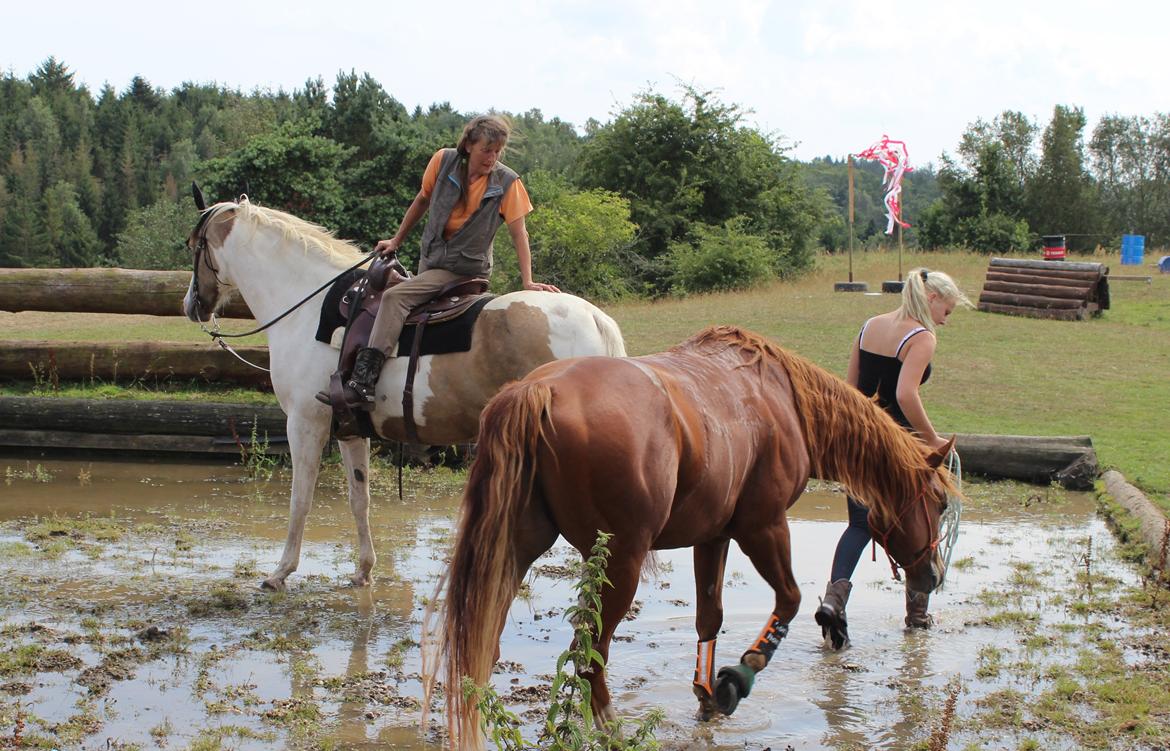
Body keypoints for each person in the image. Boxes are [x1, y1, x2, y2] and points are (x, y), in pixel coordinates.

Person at [345, 115, 560, 407]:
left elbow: (519, 233)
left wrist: (528, 281)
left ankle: (364, 380)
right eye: (487, 149)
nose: (492, 157)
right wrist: (396, 240)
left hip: (463, 270)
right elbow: (421, 200)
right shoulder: (442, 161)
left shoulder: (508, 182)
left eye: (498, 151)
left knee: (395, 298)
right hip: (430, 262)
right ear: (469, 144)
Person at [815, 267, 971, 649]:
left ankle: (835, 600)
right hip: (899, 444)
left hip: (858, 442)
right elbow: (905, 395)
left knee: (859, 524)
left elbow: (849, 389)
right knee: (930, 510)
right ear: (931, 299)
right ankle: (917, 613)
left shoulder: (870, 325)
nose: (945, 320)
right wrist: (931, 439)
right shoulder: (921, 337)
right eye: (946, 311)